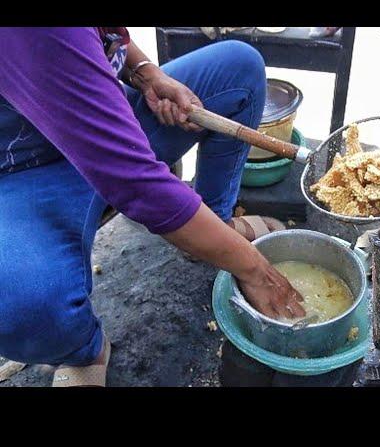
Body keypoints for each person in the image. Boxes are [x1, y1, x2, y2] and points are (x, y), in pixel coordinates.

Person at [0, 27, 305, 387]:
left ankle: (215, 222)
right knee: (23, 304)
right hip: (21, 171)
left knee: (238, 67)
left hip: (104, 121)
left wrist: (146, 73)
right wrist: (256, 269)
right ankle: (84, 350)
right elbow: (137, 183)